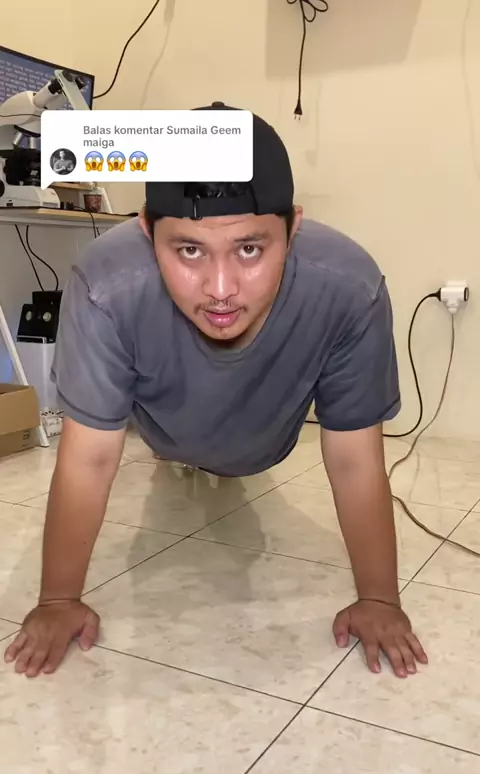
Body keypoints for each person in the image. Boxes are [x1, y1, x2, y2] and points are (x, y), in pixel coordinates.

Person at [4, 103, 428, 680]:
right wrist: (57, 599)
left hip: (264, 445)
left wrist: (379, 598)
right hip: (162, 431)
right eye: (189, 250)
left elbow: (354, 459)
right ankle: (181, 459)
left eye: (250, 249)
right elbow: (90, 458)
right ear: (147, 230)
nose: (221, 289)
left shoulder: (349, 289)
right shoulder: (107, 287)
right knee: (167, 464)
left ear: (293, 228)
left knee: (236, 476)